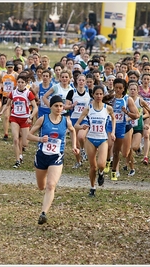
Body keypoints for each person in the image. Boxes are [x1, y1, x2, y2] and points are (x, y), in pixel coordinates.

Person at [27, 95, 79, 225]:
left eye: (61, 106)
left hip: (56, 156)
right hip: (42, 155)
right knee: (41, 186)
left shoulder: (65, 121)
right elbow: (28, 135)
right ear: (51, 107)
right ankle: (44, 200)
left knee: (51, 185)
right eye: (56, 106)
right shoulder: (43, 119)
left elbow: (73, 131)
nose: (59, 108)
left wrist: (74, 146)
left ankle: (43, 213)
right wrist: (40, 139)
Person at [74, 86, 116, 197]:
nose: (98, 96)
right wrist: (82, 126)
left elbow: (113, 118)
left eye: (100, 94)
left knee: (101, 164)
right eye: (96, 94)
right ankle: (92, 187)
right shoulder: (88, 109)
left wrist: (113, 132)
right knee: (93, 166)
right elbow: (76, 125)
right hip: (91, 139)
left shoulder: (108, 108)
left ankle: (101, 173)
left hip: (103, 139)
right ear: (93, 95)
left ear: (103, 95)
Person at [0, 73, 38, 168]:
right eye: (18, 82)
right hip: (15, 118)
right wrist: (1, 112)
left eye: (22, 82)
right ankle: (17, 160)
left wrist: (30, 117)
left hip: (25, 119)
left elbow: (35, 107)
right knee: (15, 139)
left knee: (25, 143)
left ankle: (21, 151)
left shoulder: (28, 93)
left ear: (25, 84)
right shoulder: (13, 92)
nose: (20, 84)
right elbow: (7, 104)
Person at [67, 74, 92, 168]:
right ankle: (78, 162)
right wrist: (71, 106)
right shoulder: (72, 92)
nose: (81, 82)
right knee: (75, 143)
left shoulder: (89, 92)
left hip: (84, 118)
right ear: (76, 81)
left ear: (85, 82)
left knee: (81, 137)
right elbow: (65, 106)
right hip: (74, 118)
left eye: (83, 80)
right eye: (79, 80)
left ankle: (83, 150)